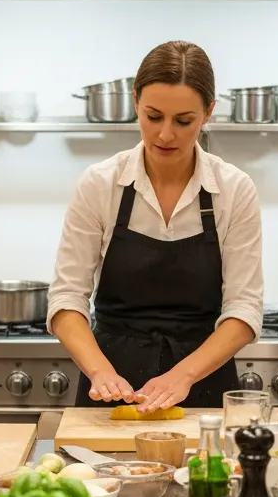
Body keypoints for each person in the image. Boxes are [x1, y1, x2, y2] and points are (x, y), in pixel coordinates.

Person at [47, 41, 263, 412]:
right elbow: (67, 299)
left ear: (208, 113)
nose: (165, 134)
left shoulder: (234, 189)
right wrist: (100, 371)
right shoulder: (100, 184)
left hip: (202, 384)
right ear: (135, 102)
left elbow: (244, 309)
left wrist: (182, 375)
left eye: (184, 121)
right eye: (153, 116)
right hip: (112, 386)